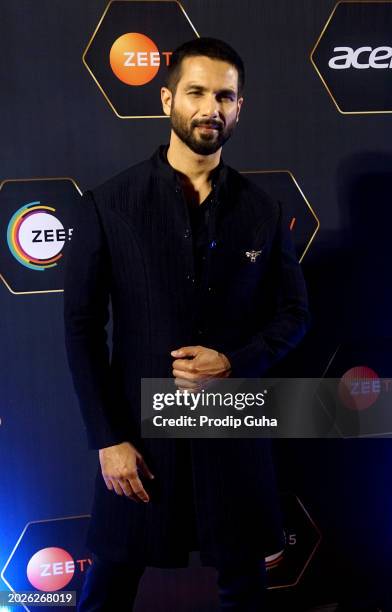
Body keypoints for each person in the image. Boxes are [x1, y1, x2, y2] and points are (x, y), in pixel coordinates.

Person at [64, 37, 309, 611]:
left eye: (225, 96)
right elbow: (80, 329)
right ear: (168, 98)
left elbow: (295, 314)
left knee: (244, 588)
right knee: (108, 589)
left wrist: (234, 362)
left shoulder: (262, 209)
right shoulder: (110, 205)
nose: (211, 108)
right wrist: (109, 439)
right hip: (139, 437)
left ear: (240, 108)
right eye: (196, 92)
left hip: (232, 422)